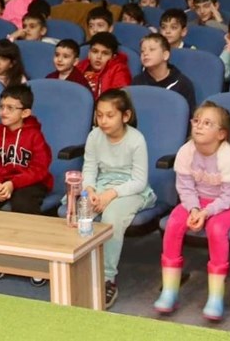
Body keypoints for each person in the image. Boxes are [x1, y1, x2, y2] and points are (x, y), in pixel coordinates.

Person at [154, 102, 230, 321]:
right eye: (196, 121)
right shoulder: (186, 151)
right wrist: (194, 208)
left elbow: (229, 196)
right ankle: (169, 291)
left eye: (207, 123)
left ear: (221, 133)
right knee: (174, 223)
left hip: (228, 205)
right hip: (195, 202)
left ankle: (215, 297)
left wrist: (206, 213)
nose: (199, 127)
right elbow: (185, 188)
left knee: (216, 229)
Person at [76, 89, 155, 308]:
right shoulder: (94, 136)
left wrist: (111, 194)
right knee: (80, 210)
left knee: (111, 215)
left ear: (125, 116)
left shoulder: (136, 140)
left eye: (110, 115)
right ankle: (80, 271)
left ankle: (107, 278)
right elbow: (89, 168)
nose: (103, 121)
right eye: (99, 115)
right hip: (102, 184)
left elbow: (139, 180)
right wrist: (90, 190)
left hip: (131, 189)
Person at [0, 84, 53, 284]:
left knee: (24, 204)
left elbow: (39, 169)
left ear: (25, 112)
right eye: (1, 106)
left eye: (10, 108)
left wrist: (12, 183)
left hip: (31, 181)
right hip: (2, 182)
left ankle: (35, 261)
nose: (3, 111)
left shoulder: (35, 135)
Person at [132, 34, 197, 112]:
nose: (145, 53)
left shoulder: (183, 84)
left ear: (165, 55)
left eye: (152, 49)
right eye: (142, 51)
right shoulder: (136, 82)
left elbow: (188, 118)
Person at [76, 32, 131, 98]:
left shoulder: (119, 71)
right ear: (89, 53)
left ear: (113, 57)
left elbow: (118, 100)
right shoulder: (80, 66)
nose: (99, 57)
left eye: (105, 53)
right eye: (95, 51)